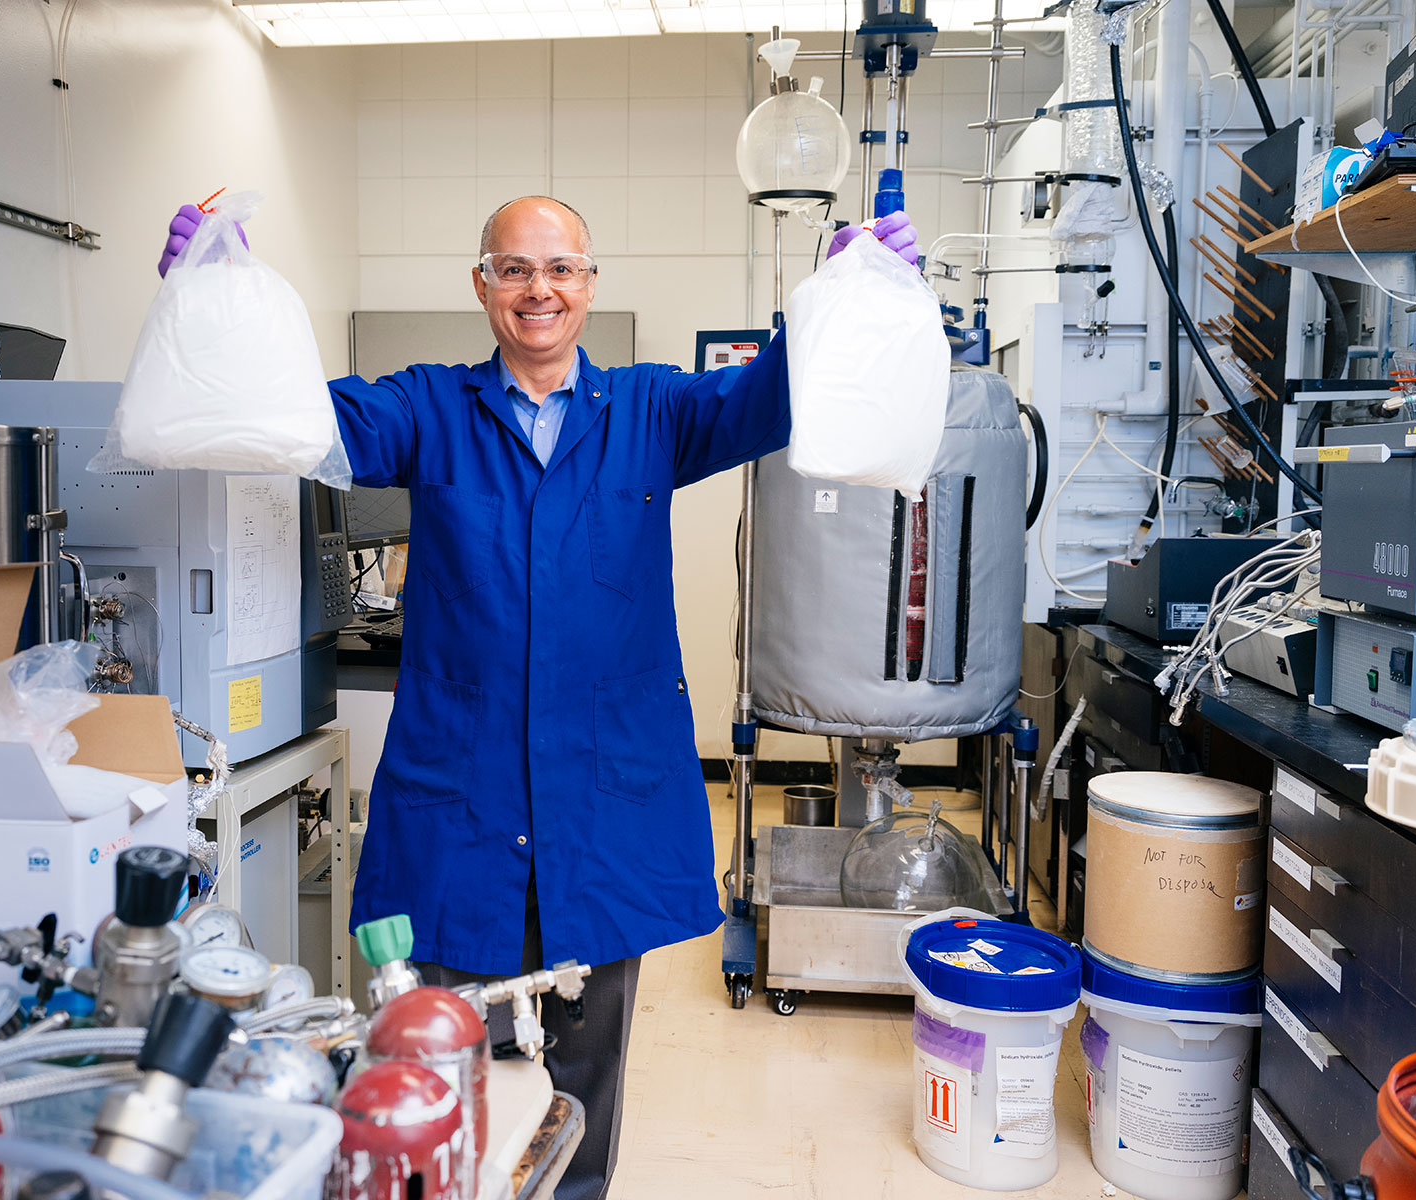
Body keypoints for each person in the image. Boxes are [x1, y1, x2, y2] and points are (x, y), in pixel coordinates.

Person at [158, 195, 920, 1199]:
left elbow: (773, 400)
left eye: (560, 269)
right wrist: (216, 301)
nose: (539, 290)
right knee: (443, 1056)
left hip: (600, 806)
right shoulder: (430, 409)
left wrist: (848, 295)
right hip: (461, 803)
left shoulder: (653, 410)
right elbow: (303, 424)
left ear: (590, 286)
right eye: (514, 269)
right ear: (482, 286)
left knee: (587, 1071)